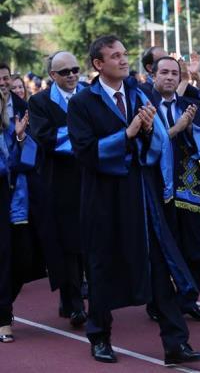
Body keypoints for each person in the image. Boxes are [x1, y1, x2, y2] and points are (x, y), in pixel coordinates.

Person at [67, 36, 200, 365]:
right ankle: (100, 336)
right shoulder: (83, 103)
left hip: (140, 194)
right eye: (115, 56)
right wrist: (127, 134)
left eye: (124, 54)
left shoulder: (137, 93)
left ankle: (176, 342)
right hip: (103, 197)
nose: (123, 59)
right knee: (101, 266)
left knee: (159, 265)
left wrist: (145, 132)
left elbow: (156, 142)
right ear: (99, 64)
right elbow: (85, 152)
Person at [147, 56, 200, 321]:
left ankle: (189, 299)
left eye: (175, 73)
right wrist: (177, 128)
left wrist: (195, 76)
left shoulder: (189, 104)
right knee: (163, 247)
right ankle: (158, 303)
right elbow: (146, 143)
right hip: (159, 187)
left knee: (195, 243)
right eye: (164, 72)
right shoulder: (145, 105)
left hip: (189, 185)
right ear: (153, 75)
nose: (170, 77)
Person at [28, 52, 88, 328]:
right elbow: (45, 139)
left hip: (90, 179)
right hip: (58, 183)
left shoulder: (89, 94)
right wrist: (84, 138)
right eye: (64, 72)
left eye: (75, 69)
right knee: (67, 246)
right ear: (53, 76)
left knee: (91, 241)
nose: (72, 75)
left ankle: (92, 298)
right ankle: (73, 302)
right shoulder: (39, 101)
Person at [0, 65, 40, 343]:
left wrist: (20, 137)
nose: (3, 83)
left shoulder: (23, 109)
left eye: (6, 78)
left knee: (26, 259)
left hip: (22, 196)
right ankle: (3, 318)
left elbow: (29, 157)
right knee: (3, 258)